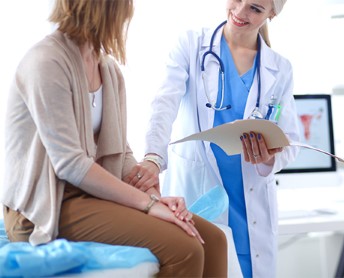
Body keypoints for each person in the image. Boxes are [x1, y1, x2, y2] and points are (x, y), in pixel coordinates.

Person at [1, 0, 228, 277]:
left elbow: (120, 152)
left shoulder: (108, 70)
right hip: (46, 206)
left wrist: (154, 194)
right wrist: (149, 205)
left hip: (90, 195)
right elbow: (70, 164)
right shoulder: (46, 62)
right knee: (186, 248)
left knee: (214, 240)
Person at [143, 0, 300, 277]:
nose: (240, 12)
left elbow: (290, 140)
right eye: (237, 0)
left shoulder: (279, 68)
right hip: (198, 196)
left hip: (249, 207)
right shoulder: (192, 46)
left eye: (255, 8)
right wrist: (153, 158)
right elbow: (163, 105)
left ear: (272, 14)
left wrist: (270, 156)